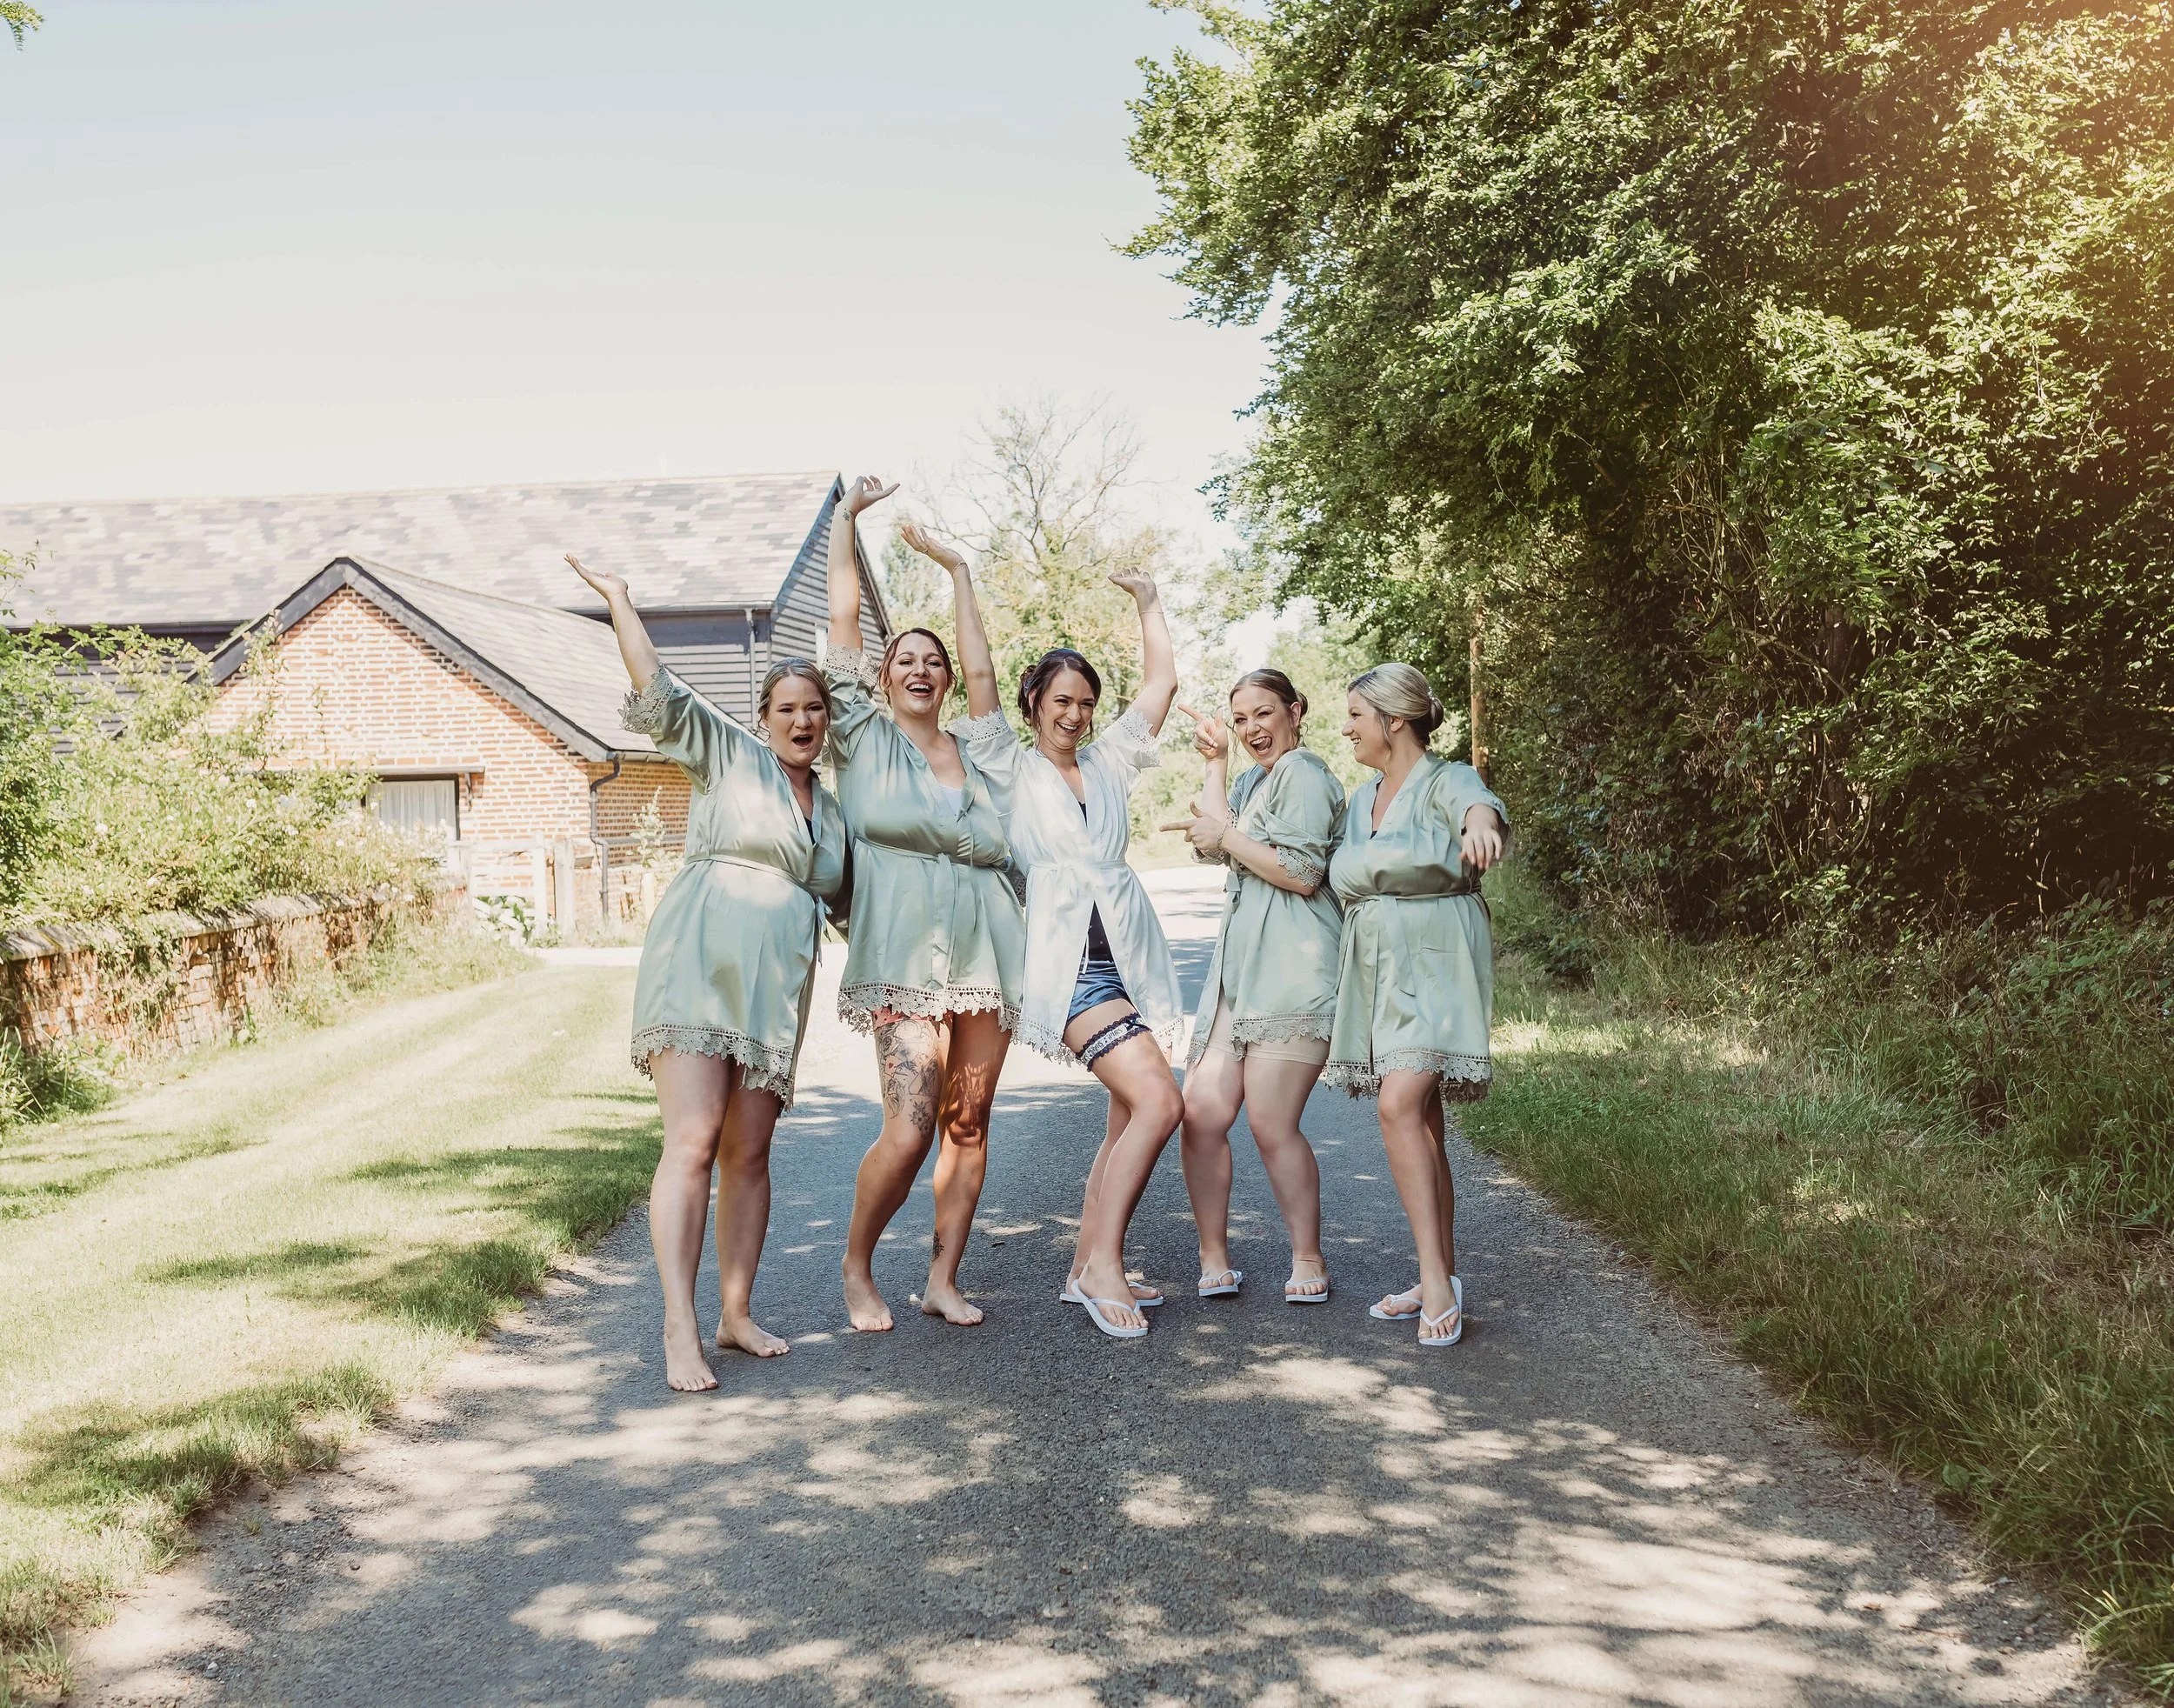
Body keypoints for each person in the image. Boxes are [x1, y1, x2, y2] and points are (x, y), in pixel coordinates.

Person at [569, 554, 848, 1391]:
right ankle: (678, 1326)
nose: (801, 721)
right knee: (692, 1143)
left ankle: (735, 1313)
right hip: (696, 966)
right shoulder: (727, 756)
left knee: (750, 1154)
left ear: (826, 723)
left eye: (814, 710)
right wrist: (622, 601)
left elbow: (857, 900)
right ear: (763, 720)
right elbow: (659, 686)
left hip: (774, 990)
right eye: (787, 709)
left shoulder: (833, 812)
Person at [949, 563, 1185, 1340]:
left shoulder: (1111, 762)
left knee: (1126, 1117)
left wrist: (1149, 602)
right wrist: (960, 573)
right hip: (1069, 970)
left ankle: (1085, 1264)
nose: (1075, 715)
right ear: (1032, 704)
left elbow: (1162, 685)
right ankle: (1104, 1267)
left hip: (1129, 957)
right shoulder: (1008, 769)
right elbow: (975, 668)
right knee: (1160, 1101)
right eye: (1061, 702)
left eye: (1085, 703)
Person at [822, 477, 1025, 1332]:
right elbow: (841, 629)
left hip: (984, 956)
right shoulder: (862, 738)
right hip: (901, 957)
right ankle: (857, 1266)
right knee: (908, 1130)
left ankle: (943, 1277)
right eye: (903, 657)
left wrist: (959, 570)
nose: (919, 666)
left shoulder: (978, 749)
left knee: (967, 1127)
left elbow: (984, 668)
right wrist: (844, 523)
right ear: (883, 674)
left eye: (930, 659)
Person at [1325, 663, 1507, 1349]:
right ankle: (1442, 1276)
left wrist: (1480, 829)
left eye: (1355, 716)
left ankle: (1435, 1283)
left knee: (1399, 1104)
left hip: (1436, 959)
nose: (1346, 728)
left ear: (1394, 721)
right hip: (1378, 963)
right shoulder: (1361, 795)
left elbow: (1477, 806)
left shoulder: (1444, 778)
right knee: (1423, 1119)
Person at [1174, 670, 1346, 1304]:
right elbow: (1222, 841)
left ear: (1296, 712)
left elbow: (1301, 872)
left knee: (1273, 1122)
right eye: (1241, 718)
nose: (1252, 729)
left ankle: (1307, 1256)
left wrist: (1224, 837)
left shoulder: (1303, 772)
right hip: (1238, 974)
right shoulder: (1254, 779)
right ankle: (1212, 1255)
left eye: (1263, 714)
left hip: (1294, 966)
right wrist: (1217, 765)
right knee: (1202, 1112)